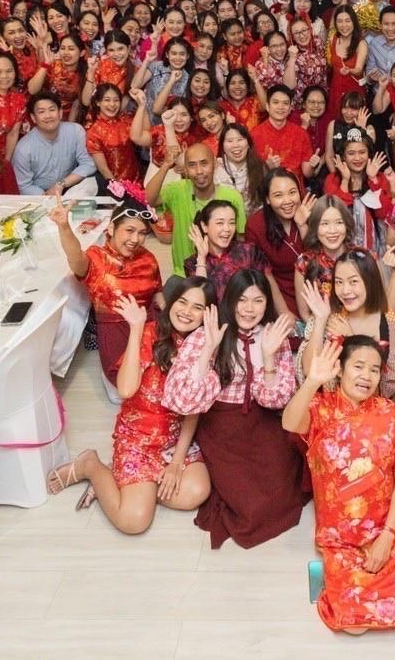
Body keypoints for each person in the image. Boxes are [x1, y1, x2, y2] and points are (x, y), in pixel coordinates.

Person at [284, 335, 395, 634]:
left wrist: (388, 536)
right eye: (358, 366)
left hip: (388, 525)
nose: (366, 375)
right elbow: (289, 423)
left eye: (374, 369)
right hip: (341, 536)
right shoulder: (321, 409)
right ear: (340, 369)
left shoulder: (391, 415)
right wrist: (312, 381)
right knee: (352, 625)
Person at [46, 281, 211, 532]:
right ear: (171, 303)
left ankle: (124, 483)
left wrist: (177, 462)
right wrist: (136, 329)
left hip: (173, 441)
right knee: (133, 521)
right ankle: (91, 466)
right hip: (138, 439)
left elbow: (193, 411)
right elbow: (125, 389)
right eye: (182, 302)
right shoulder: (150, 333)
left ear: (207, 314)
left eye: (197, 307)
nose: (187, 312)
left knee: (196, 492)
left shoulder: (204, 347)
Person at [162, 269, 306, 549]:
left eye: (258, 300)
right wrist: (209, 349)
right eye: (242, 300)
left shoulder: (272, 335)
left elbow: (276, 400)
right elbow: (184, 400)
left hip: (260, 419)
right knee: (249, 504)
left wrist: (268, 356)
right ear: (230, 300)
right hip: (220, 425)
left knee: (284, 480)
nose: (249, 309)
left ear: (267, 303)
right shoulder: (208, 332)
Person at [52, 185, 163, 383]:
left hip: (151, 329)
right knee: (135, 384)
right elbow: (75, 258)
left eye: (142, 233)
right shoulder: (97, 258)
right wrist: (64, 227)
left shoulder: (148, 258)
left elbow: (158, 295)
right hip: (117, 336)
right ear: (111, 228)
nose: (135, 239)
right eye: (129, 230)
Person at [300, 249, 395, 401]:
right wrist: (320, 320)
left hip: (376, 411)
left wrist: (351, 338)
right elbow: (309, 370)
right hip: (330, 408)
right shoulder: (330, 317)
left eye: (353, 282)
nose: (345, 290)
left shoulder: (391, 324)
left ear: (370, 281)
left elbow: (389, 386)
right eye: (339, 282)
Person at [148, 142, 246, 276]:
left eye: (204, 163)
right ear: (185, 169)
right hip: (183, 274)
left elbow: (241, 240)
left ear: (215, 164)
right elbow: (147, 200)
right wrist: (165, 165)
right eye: (192, 165)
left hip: (222, 274)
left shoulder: (232, 197)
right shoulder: (177, 190)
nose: (199, 171)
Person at [244, 169, 313, 316]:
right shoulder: (256, 225)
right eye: (278, 195)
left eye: (292, 192)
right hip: (280, 295)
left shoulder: (311, 212)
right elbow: (264, 273)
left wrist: (302, 226)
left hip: (316, 288)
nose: (287, 201)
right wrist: (283, 311)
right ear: (267, 199)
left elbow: (319, 259)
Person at [12, 91, 97, 195]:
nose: (48, 116)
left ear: (60, 113)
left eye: (52, 110)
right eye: (41, 112)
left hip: (70, 188)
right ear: (33, 118)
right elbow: (23, 186)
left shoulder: (75, 131)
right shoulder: (24, 148)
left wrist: (62, 184)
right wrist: (46, 196)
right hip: (39, 195)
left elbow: (88, 164)